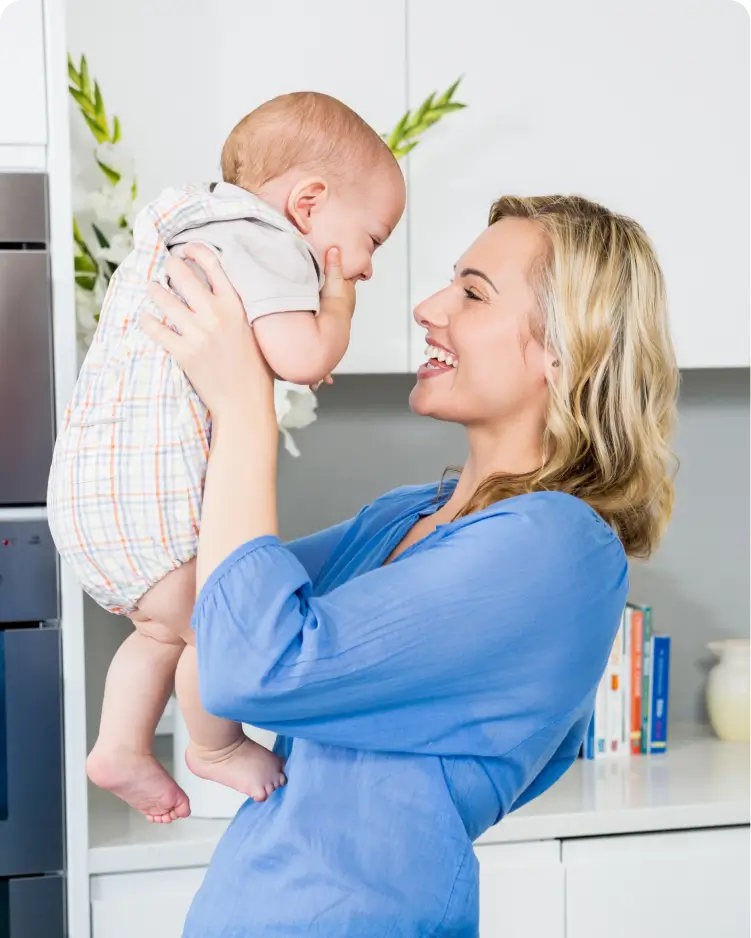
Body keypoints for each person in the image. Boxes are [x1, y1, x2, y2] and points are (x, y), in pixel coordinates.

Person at [143, 193, 678, 936]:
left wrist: (245, 410)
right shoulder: (405, 513)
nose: (428, 308)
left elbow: (249, 665)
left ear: (565, 349)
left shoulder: (557, 547)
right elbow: (199, 605)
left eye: (472, 293)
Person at [46, 91, 406, 822]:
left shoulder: (195, 230)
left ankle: (119, 746)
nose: (367, 265)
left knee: (160, 629)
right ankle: (215, 747)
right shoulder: (265, 240)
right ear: (307, 202)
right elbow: (303, 357)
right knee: (218, 627)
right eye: (372, 238)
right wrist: (336, 306)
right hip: (148, 508)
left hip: (91, 499)